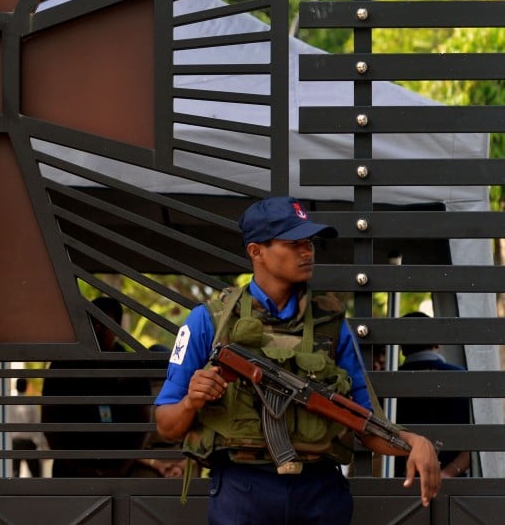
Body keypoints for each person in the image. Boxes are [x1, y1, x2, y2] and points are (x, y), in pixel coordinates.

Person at [154, 196, 441, 524]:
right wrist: (192, 401)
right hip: (243, 489)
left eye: (310, 242)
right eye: (294, 243)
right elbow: (166, 424)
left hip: (318, 489)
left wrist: (413, 442)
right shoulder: (209, 321)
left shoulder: (331, 326)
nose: (308, 251)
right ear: (256, 251)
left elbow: (363, 421)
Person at [41, 296, 151, 477]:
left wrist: (121, 468)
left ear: (118, 328)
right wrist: (75, 467)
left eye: (105, 324)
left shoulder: (131, 365)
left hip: (120, 472)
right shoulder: (63, 365)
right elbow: (49, 422)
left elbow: (143, 422)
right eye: (94, 323)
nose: (98, 330)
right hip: (70, 472)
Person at [394, 311, 471, 479]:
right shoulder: (461, 376)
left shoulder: (389, 381)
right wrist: (447, 474)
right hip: (454, 488)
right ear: (437, 342)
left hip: (402, 482)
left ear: (401, 348)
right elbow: (473, 443)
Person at [7, 378, 44, 477]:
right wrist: (40, 442)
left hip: (14, 443)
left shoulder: (10, 403)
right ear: (26, 387)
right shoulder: (31, 404)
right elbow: (37, 423)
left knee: (14, 474)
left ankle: (13, 492)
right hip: (28, 443)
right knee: (36, 474)